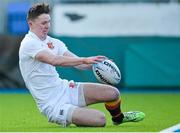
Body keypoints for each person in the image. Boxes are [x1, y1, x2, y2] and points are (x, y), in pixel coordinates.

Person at [19, 3, 145, 127]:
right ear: (31, 24)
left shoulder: (54, 42)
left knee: (113, 93)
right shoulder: (29, 43)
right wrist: (84, 59)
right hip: (53, 105)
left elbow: (79, 64)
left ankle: (118, 118)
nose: (47, 26)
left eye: (49, 22)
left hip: (65, 89)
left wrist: (98, 64)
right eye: (43, 23)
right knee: (100, 120)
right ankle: (75, 115)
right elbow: (54, 60)